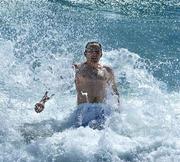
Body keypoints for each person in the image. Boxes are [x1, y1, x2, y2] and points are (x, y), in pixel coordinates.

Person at [35, 42, 120, 129]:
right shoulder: (77, 69)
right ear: (85, 54)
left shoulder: (108, 70)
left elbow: (114, 92)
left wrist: (118, 112)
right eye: (91, 51)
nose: (94, 54)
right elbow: (57, 86)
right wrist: (43, 101)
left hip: (102, 112)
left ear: (101, 54)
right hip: (84, 112)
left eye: (97, 51)